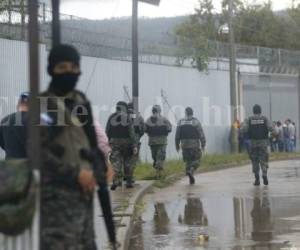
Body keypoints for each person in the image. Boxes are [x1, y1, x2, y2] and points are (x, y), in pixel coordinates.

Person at [39, 44, 104, 250]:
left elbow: (91, 143)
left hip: (84, 196)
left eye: (74, 67)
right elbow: (39, 153)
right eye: (62, 67)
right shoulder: (44, 105)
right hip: (57, 199)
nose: (69, 72)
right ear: (51, 70)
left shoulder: (80, 102)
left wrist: (101, 164)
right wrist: (76, 174)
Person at [106, 101, 137, 190]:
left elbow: (107, 131)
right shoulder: (127, 117)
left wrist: (107, 142)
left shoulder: (111, 117)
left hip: (114, 142)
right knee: (128, 162)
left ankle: (116, 181)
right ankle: (128, 181)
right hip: (127, 143)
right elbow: (131, 132)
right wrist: (134, 145)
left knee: (116, 162)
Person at [243, 104, 272, 186]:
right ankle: (264, 174)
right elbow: (271, 129)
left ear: (253, 111)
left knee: (255, 161)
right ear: (260, 111)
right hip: (263, 143)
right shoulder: (265, 118)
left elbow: (243, 129)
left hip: (253, 143)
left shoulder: (249, 119)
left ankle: (257, 179)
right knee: (264, 160)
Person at [175, 107, 206, 185]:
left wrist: (177, 145)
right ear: (192, 113)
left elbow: (177, 135)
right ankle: (191, 170)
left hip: (184, 146)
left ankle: (190, 177)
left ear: (185, 113)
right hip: (194, 145)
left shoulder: (180, 122)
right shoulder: (196, 122)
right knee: (197, 160)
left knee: (188, 162)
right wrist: (203, 144)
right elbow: (201, 134)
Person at [145, 105, 172, 177]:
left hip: (154, 142)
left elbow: (145, 130)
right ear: (159, 111)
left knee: (157, 157)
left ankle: (158, 173)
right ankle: (159, 171)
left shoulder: (148, 120)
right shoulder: (164, 119)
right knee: (158, 158)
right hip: (160, 142)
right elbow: (169, 129)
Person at [0, 92, 29, 159]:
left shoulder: (5, 120)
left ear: (18, 105)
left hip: (10, 165)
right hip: (29, 164)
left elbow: (2, 143)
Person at [127, 102, 145, 182]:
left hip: (125, 140)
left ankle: (125, 175)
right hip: (136, 140)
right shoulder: (139, 117)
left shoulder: (124, 116)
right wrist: (138, 136)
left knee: (125, 159)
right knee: (133, 159)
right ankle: (130, 177)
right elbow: (143, 129)